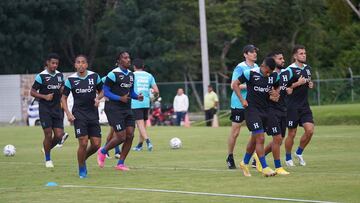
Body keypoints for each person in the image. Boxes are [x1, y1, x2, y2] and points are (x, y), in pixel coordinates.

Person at [97, 51, 143, 171]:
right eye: (125, 58)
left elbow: (131, 92)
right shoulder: (113, 74)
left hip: (127, 108)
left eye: (129, 57)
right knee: (121, 137)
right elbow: (105, 92)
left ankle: (120, 163)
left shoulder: (131, 75)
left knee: (130, 135)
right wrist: (119, 98)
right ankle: (103, 151)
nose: (128, 60)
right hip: (113, 108)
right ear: (119, 61)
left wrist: (137, 96)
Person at [233, 57, 278, 177]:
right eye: (268, 71)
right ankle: (264, 167)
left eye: (271, 72)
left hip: (265, 111)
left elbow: (276, 88)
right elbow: (235, 84)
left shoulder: (273, 76)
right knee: (260, 138)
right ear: (264, 66)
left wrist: (275, 93)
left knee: (254, 140)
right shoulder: (250, 73)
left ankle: (244, 162)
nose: (269, 74)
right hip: (252, 110)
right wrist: (242, 100)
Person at [61, 55, 104, 178]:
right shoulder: (71, 80)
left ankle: (82, 158)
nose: (81, 65)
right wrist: (68, 113)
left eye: (83, 62)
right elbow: (63, 98)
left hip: (93, 114)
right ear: (75, 65)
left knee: (96, 144)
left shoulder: (94, 76)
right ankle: (82, 168)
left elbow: (102, 91)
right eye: (78, 62)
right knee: (83, 142)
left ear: (87, 64)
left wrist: (98, 98)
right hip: (79, 115)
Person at [253, 51, 290, 175]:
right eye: (279, 59)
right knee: (277, 138)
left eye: (282, 58)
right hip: (271, 110)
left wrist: (290, 88)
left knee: (279, 140)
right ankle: (278, 167)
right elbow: (266, 92)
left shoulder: (285, 74)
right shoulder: (269, 76)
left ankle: (258, 156)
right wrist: (272, 95)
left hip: (283, 109)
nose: (282, 61)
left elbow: (285, 88)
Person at [30, 53, 69, 168]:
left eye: (56, 63)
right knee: (48, 134)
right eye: (52, 63)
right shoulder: (41, 76)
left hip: (57, 109)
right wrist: (45, 96)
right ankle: (48, 159)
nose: (55, 65)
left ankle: (46, 149)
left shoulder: (60, 75)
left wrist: (62, 90)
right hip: (45, 109)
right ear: (47, 63)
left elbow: (61, 89)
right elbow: (32, 92)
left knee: (59, 135)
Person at [226, 44, 259, 169]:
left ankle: (255, 158)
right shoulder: (240, 67)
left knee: (257, 132)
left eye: (255, 51)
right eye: (252, 52)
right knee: (235, 133)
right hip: (238, 103)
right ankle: (230, 156)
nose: (254, 54)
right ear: (245, 54)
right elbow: (233, 85)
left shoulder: (256, 67)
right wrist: (249, 85)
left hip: (252, 104)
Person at [284, 45, 315, 167]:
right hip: (291, 106)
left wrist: (309, 84)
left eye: (305, 53)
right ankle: (287, 157)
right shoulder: (289, 70)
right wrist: (297, 83)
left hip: (304, 106)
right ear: (295, 56)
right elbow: (285, 88)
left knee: (310, 130)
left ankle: (299, 152)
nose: (304, 55)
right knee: (292, 133)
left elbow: (307, 83)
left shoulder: (308, 69)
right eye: (301, 53)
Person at [131, 58, 159, 151]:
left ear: (134, 67)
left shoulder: (132, 75)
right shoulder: (149, 75)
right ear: (143, 66)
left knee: (140, 124)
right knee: (143, 125)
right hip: (146, 102)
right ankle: (139, 145)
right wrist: (153, 98)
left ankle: (148, 141)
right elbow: (156, 91)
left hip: (136, 102)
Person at [101, 76, 121, 159]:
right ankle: (107, 151)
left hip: (119, 106)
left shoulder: (123, 77)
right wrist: (104, 95)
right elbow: (98, 85)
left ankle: (110, 151)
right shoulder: (108, 78)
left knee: (115, 131)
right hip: (111, 107)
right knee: (115, 130)